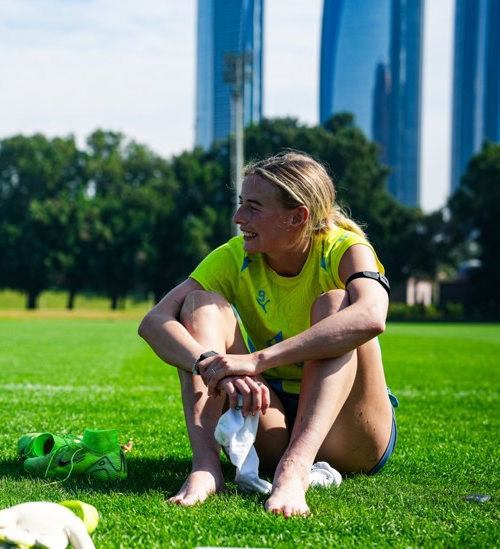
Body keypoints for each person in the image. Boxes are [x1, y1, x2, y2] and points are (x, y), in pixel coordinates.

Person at [138, 151, 397, 518]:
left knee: (337, 303)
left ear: (298, 217)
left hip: (351, 434)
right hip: (270, 420)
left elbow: (372, 315)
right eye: (241, 204)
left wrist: (256, 360)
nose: (238, 218)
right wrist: (208, 363)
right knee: (199, 303)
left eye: (253, 208)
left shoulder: (345, 248)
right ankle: (206, 467)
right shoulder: (234, 256)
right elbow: (154, 321)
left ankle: (294, 471)